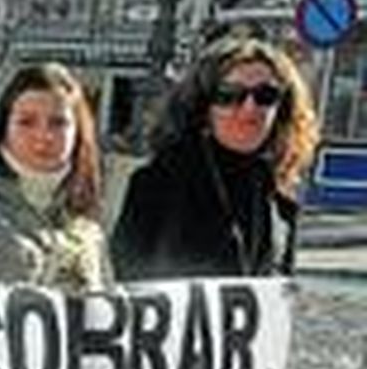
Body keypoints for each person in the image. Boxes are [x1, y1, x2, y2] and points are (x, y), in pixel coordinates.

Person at [111, 36, 318, 280]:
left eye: (266, 95)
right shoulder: (159, 183)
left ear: (282, 108)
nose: (249, 108)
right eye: (230, 95)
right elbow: (127, 284)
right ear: (203, 107)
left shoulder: (281, 196)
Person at [0, 63, 110, 291]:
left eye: (58, 123)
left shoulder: (87, 221)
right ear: (4, 127)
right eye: (26, 122)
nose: (43, 136)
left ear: (77, 132)